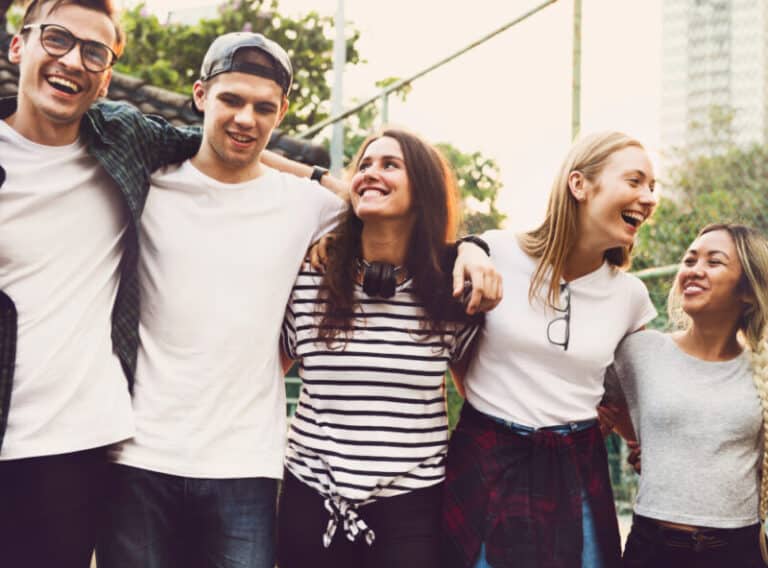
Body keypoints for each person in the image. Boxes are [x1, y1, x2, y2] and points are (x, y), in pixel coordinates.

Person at [93, 32, 347, 568]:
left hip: (245, 465)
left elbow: (399, 218)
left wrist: (471, 251)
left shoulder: (307, 206)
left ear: (282, 114)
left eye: (263, 108)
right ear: (200, 94)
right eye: (231, 100)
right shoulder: (148, 184)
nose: (246, 120)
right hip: (137, 453)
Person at [0, 0, 200, 565]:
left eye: (95, 52)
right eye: (57, 39)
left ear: (106, 76)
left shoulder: (123, 138)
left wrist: (323, 179)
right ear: (20, 45)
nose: (73, 61)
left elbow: (222, 148)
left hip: (74, 447)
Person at [443, 131, 660, 568]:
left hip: (576, 466)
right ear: (579, 185)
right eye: (635, 181)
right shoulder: (495, 252)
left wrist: (640, 443)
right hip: (485, 454)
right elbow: (455, 353)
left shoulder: (632, 297)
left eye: (652, 187)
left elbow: (626, 393)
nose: (649, 197)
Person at [276, 128, 488, 568]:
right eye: (365, 166)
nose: (372, 172)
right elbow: (267, 374)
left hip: (411, 508)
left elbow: (477, 391)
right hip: (309, 498)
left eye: (390, 165)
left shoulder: (454, 294)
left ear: (424, 190)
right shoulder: (308, 277)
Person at [603, 223, 768, 568]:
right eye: (690, 260)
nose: (694, 270)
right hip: (651, 549)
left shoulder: (762, 368)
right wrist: (643, 443)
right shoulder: (639, 352)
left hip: (738, 551)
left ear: (748, 292)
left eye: (714, 262)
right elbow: (598, 405)